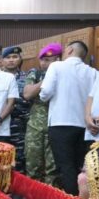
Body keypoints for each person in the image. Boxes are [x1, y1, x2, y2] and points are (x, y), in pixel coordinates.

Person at [40, 40, 97, 195]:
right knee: (80, 165)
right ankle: (83, 198)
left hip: (60, 123)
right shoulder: (93, 72)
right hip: (85, 125)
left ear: (70, 50)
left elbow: (45, 93)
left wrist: (44, 95)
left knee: (65, 166)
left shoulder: (56, 66)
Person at [21, 43, 61, 185]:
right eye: (42, 60)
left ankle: (50, 195)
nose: (44, 63)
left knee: (53, 168)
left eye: (49, 60)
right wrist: (46, 80)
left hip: (56, 124)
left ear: (58, 60)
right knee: (32, 164)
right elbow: (27, 94)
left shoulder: (64, 74)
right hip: (35, 126)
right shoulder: (35, 74)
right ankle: (32, 195)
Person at [1, 46, 30, 172]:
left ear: (20, 59)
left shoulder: (28, 78)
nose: (11, 60)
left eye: (15, 57)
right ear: (1, 61)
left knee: (20, 157)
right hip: (0, 123)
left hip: (21, 124)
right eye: (8, 57)